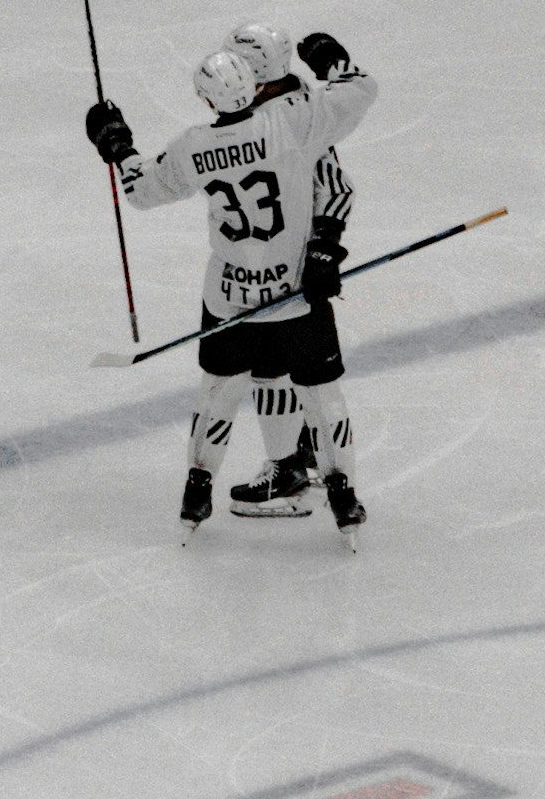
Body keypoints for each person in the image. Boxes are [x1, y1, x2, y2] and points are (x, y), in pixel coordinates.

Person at [85, 30, 377, 542]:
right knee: (321, 391)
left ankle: (198, 489)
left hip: (230, 296)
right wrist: (334, 62)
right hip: (294, 293)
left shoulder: (193, 146)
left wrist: (117, 144)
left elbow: (139, 188)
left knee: (219, 391)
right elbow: (360, 90)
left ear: (207, 98)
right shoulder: (293, 120)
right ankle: (343, 494)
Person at [220, 19, 355, 519]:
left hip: (289, 269)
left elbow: (336, 187)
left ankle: (288, 470)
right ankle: (302, 454)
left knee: (278, 366)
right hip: (267, 261)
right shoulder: (276, 107)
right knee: (280, 366)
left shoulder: (295, 117)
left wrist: (323, 251)